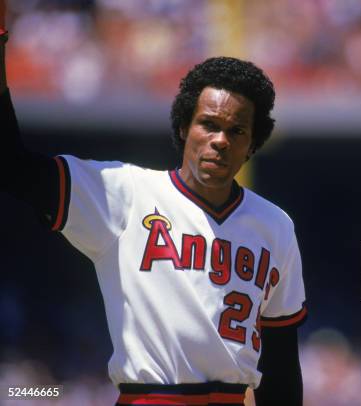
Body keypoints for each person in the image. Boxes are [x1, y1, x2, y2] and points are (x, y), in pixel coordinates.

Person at [0, 2, 307, 405]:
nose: (220, 140)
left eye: (237, 131)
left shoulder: (275, 225)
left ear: (252, 144)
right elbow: (11, 165)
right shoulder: (126, 193)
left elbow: (282, 366)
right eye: (209, 124)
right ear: (184, 126)